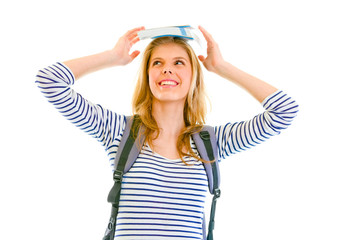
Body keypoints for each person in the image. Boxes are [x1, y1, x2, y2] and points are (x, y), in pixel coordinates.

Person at [36, 26, 298, 240]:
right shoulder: (119, 132)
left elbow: (285, 110)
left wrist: (222, 67)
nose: (167, 69)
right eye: (157, 62)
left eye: (179, 62)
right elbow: (49, 81)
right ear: (148, 74)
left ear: (193, 75)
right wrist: (112, 57)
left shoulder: (212, 144)